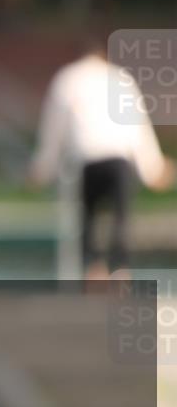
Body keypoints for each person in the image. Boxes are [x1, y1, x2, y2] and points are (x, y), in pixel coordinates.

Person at [29, 40, 175, 279]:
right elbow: (138, 127)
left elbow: (53, 130)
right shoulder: (119, 79)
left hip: (87, 161)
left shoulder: (67, 79)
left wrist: (42, 168)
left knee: (88, 217)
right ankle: (120, 272)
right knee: (121, 217)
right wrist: (153, 168)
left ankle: (93, 270)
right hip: (119, 160)